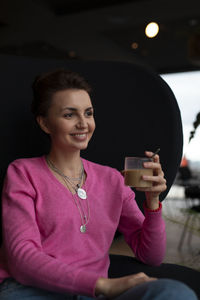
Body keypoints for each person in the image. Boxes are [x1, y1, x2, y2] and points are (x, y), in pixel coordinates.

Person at [0, 69, 197, 300]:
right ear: (45, 123)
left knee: (174, 293)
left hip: (93, 294)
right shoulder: (22, 173)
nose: (83, 123)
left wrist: (153, 203)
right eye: (69, 115)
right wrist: (103, 285)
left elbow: (151, 256)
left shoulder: (112, 180)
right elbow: (22, 258)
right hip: (32, 291)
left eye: (88, 113)